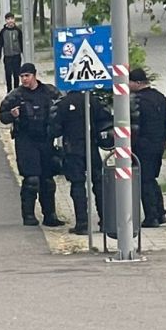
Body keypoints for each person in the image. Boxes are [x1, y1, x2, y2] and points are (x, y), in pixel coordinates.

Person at [0, 63, 64, 227]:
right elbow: (3, 116)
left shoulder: (50, 92)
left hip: (46, 140)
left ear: (35, 75)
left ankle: (50, 215)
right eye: (22, 76)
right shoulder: (16, 95)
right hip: (25, 141)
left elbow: (61, 109)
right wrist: (12, 115)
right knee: (31, 179)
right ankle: (28, 215)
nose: (24, 79)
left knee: (47, 180)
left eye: (27, 76)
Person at [51, 89, 109, 235]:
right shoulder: (93, 100)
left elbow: (54, 130)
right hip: (92, 148)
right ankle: (106, 222)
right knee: (99, 183)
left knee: (77, 185)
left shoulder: (62, 104)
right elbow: (106, 121)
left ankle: (82, 224)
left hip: (72, 149)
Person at [129, 68, 166, 228]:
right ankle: (160, 212)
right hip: (158, 143)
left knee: (144, 180)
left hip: (142, 145)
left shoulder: (136, 100)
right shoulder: (159, 97)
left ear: (138, 83)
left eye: (130, 82)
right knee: (151, 178)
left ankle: (151, 216)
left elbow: (133, 125)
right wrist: (165, 138)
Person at [0, 13, 23, 92]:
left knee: (16, 74)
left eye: (11, 19)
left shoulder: (18, 31)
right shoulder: (3, 31)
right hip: (7, 56)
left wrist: (22, 51)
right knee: (8, 74)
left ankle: (16, 90)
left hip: (16, 56)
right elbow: (0, 43)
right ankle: (9, 90)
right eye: (8, 19)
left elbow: (21, 42)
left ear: (14, 20)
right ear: (6, 21)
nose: (10, 21)